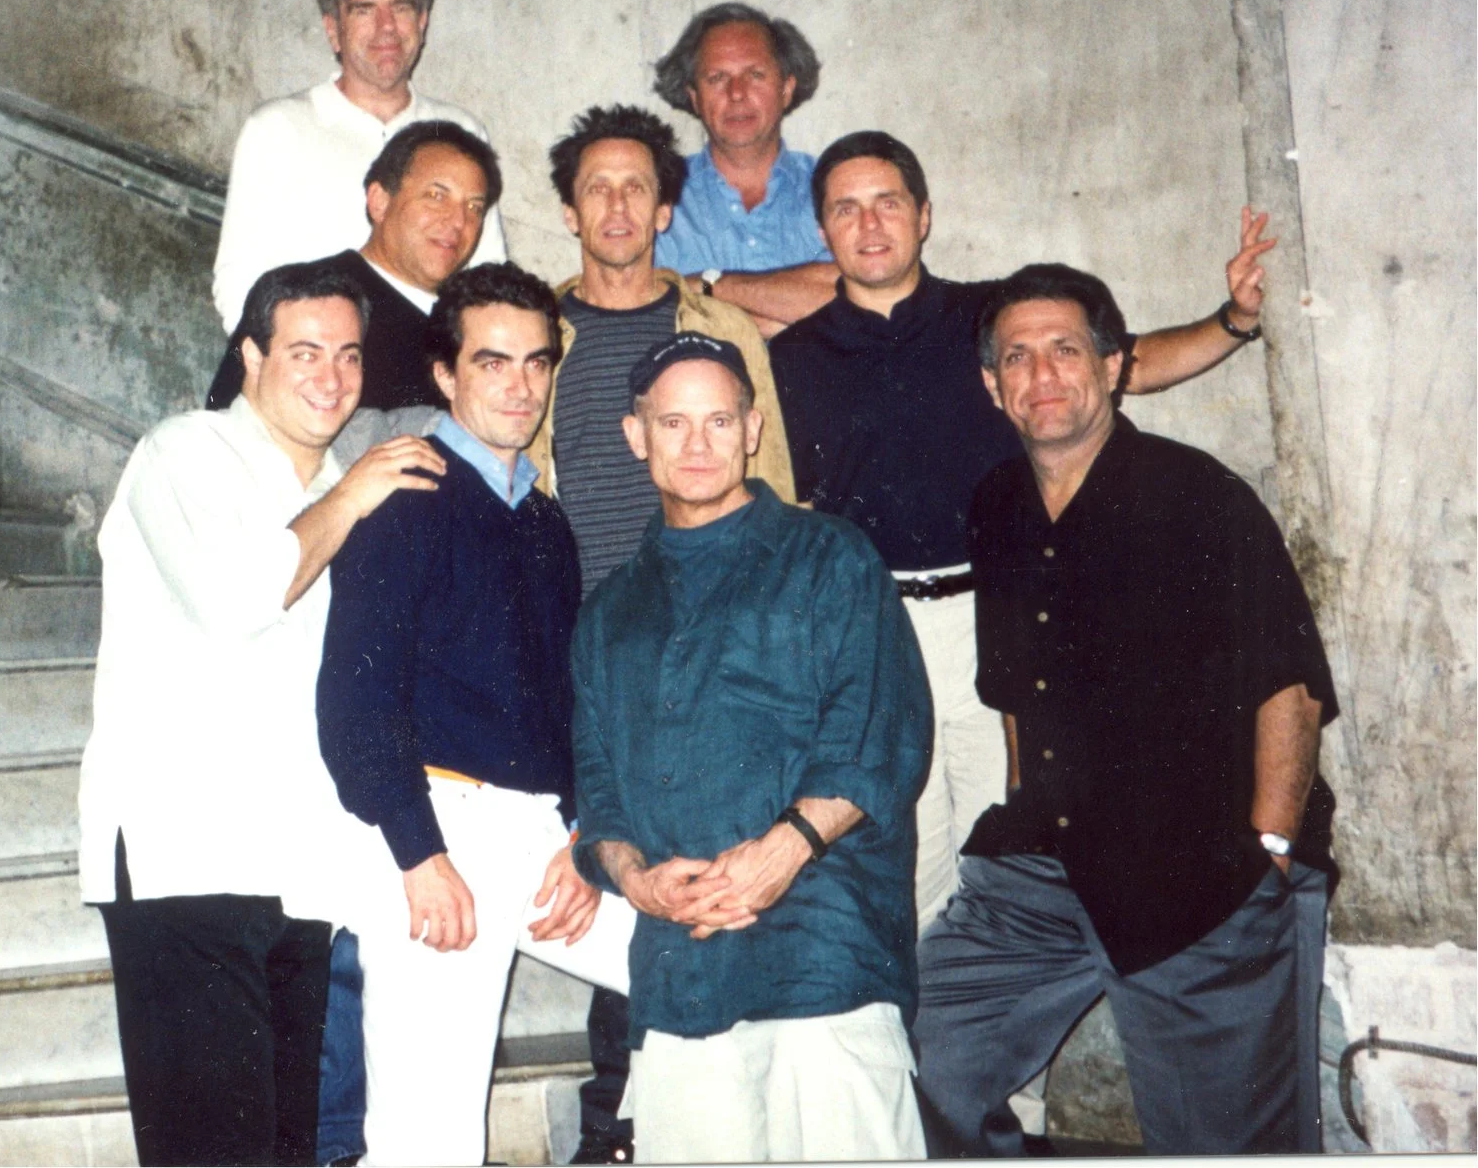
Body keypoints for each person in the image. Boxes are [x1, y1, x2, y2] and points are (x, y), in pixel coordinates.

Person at [766, 131, 1278, 936]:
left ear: (924, 215)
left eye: (888, 201)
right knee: (900, 868)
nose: (870, 224)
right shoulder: (788, 357)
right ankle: (927, 1056)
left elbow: (1131, 362)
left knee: (1009, 861)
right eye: (845, 208)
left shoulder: (995, 319)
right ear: (823, 230)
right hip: (874, 635)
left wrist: (1235, 321)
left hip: (1001, 620)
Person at [912, 264, 1337, 1156]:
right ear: (993, 387)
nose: (1043, 375)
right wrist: (1021, 804)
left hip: (1199, 870)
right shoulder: (997, 503)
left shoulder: (1196, 494)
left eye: (1066, 349)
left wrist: (1265, 852)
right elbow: (1015, 693)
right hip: (1043, 863)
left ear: (1113, 367)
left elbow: (1290, 685)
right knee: (918, 1045)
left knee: (1224, 1140)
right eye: (1017, 358)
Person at [77, 260, 447, 1166]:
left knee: (284, 1149)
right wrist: (354, 492)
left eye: (349, 357)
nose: (332, 377)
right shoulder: (183, 451)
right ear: (250, 355)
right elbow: (232, 599)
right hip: (186, 860)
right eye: (305, 352)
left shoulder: (336, 484)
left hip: (300, 867)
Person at [570, 332, 933, 1163]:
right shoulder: (608, 614)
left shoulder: (830, 556)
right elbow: (601, 792)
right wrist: (639, 880)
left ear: (753, 427)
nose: (697, 443)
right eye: (673, 423)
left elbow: (877, 732)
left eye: (718, 420)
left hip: (823, 951)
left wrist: (784, 850)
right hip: (680, 964)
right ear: (637, 436)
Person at [318, 263, 638, 1166]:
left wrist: (583, 837)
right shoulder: (403, 501)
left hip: (538, 832)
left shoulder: (545, 521)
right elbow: (354, 701)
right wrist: (419, 855)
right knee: (429, 1137)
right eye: (493, 363)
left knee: (696, 969)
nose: (520, 386)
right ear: (447, 376)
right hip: (435, 829)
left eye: (537, 363)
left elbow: (571, 700)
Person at [523, 103, 796, 1162]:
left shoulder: (719, 333)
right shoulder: (539, 335)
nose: (618, 203)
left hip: (717, 646)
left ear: (667, 206)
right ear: (567, 208)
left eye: (637, 184)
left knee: (719, 856)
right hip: (587, 652)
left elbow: (770, 481)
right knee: (624, 865)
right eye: (597, 185)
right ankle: (615, 1122)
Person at [211, 0, 505, 332]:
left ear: (422, 22)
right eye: (365, 9)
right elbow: (239, 282)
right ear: (333, 28)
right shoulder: (278, 130)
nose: (386, 28)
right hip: (316, 379)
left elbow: (487, 278)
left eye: (401, 8)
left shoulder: (459, 131)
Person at [205, 120, 500, 456]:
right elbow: (224, 429)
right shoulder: (303, 299)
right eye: (436, 196)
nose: (458, 221)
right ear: (379, 202)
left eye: (474, 207)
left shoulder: (468, 324)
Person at [645, 4, 834, 322]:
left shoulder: (834, 187)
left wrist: (709, 286)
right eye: (717, 78)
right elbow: (648, 316)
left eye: (755, 75)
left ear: (786, 88)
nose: (737, 93)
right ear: (694, 97)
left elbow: (858, 302)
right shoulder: (655, 196)